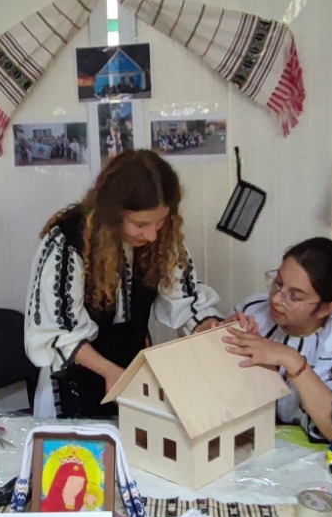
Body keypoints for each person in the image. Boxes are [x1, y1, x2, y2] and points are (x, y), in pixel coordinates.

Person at [25, 149, 224, 418]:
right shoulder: (68, 243)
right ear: (113, 213)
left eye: (160, 221)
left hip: (130, 373)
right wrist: (109, 371)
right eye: (140, 224)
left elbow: (185, 299)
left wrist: (209, 326)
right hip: (74, 380)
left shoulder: (161, 239)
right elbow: (58, 331)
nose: (151, 235)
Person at [222, 237, 332, 447]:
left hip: (316, 450)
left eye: (295, 297)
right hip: (252, 439)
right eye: (278, 284)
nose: (276, 299)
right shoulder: (253, 309)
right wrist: (221, 335)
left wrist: (290, 358)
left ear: (325, 309)